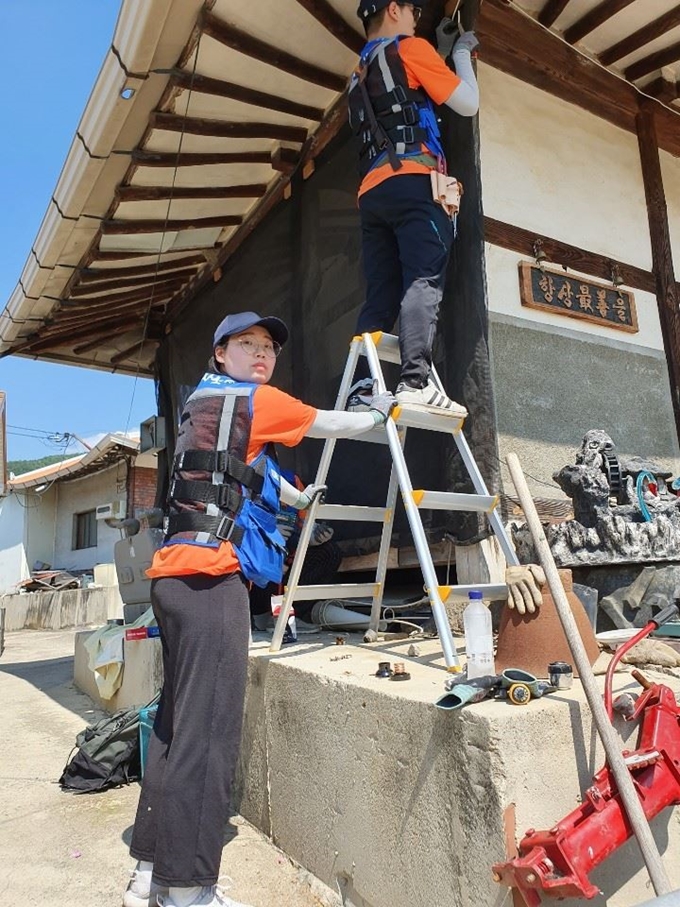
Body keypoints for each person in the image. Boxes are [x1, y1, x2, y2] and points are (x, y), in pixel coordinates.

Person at [122, 311, 395, 907]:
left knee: (175, 730)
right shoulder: (255, 400)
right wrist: (379, 413)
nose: (261, 354)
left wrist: (295, 495)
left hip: (171, 580)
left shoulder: (204, 407)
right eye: (246, 344)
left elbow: (247, 474)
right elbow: (330, 423)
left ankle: (150, 871)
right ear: (220, 354)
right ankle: (189, 889)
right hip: (209, 583)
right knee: (210, 736)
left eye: (268, 346)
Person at [347, 0, 479, 417]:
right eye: (413, 10)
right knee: (422, 279)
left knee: (381, 290)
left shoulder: (357, 75)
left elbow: (403, 99)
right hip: (415, 180)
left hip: (372, 191)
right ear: (392, 9)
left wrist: (437, 57)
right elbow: (467, 104)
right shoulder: (409, 48)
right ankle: (413, 383)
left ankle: (362, 387)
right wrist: (459, 54)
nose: (416, 19)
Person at [249, 468, 342, 630]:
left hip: (287, 555)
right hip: (255, 563)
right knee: (264, 556)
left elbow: (303, 522)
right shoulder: (241, 475)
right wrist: (264, 534)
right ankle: (260, 614)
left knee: (329, 552)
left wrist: (312, 536)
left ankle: (290, 616)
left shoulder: (291, 480)